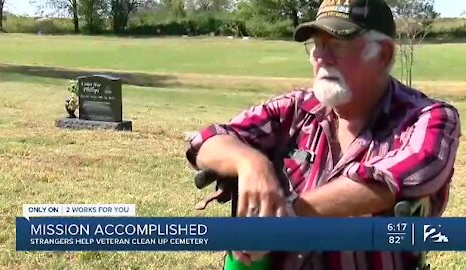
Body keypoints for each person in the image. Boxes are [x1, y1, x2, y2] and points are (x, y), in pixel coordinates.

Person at [185, 0, 462, 269]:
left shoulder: (429, 118)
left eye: (337, 45)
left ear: (383, 55)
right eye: (316, 45)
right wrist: (252, 165)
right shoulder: (295, 109)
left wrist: (285, 217)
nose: (320, 56)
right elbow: (207, 141)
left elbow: (398, 178)